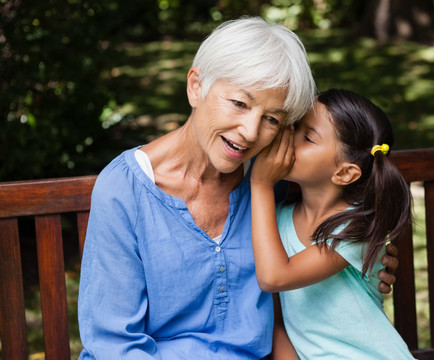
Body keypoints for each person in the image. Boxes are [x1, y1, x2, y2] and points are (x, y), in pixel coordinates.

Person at [78, 17, 398, 359]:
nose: (249, 131)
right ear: (196, 86)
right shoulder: (124, 190)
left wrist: (377, 256)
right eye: (239, 103)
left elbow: (339, 198)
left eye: (272, 119)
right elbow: (114, 344)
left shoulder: (269, 179)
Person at [250, 88, 415, 359]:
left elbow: (273, 277)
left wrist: (261, 183)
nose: (288, 137)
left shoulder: (355, 230)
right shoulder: (275, 219)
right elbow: (278, 322)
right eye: (294, 126)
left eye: (307, 137)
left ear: (344, 173)